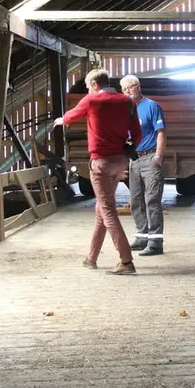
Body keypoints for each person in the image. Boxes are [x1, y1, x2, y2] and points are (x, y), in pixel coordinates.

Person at [54, 68, 141, 275]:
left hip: (101, 163)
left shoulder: (92, 100)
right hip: (120, 161)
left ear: (94, 85)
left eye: (88, 87)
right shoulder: (127, 101)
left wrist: (60, 120)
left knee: (108, 210)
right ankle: (91, 258)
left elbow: (71, 115)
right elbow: (137, 133)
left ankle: (126, 261)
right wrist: (128, 149)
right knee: (101, 208)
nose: (88, 90)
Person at [119, 74, 167, 256]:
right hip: (134, 159)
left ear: (138, 87)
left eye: (130, 87)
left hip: (150, 157)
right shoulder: (126, 110)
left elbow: (161, 132)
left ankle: (155, 243)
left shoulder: (152, 106)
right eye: (124, 89)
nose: (127, 91)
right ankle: (141, 237)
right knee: (135, 200)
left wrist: (158, 156)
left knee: (152, 199)